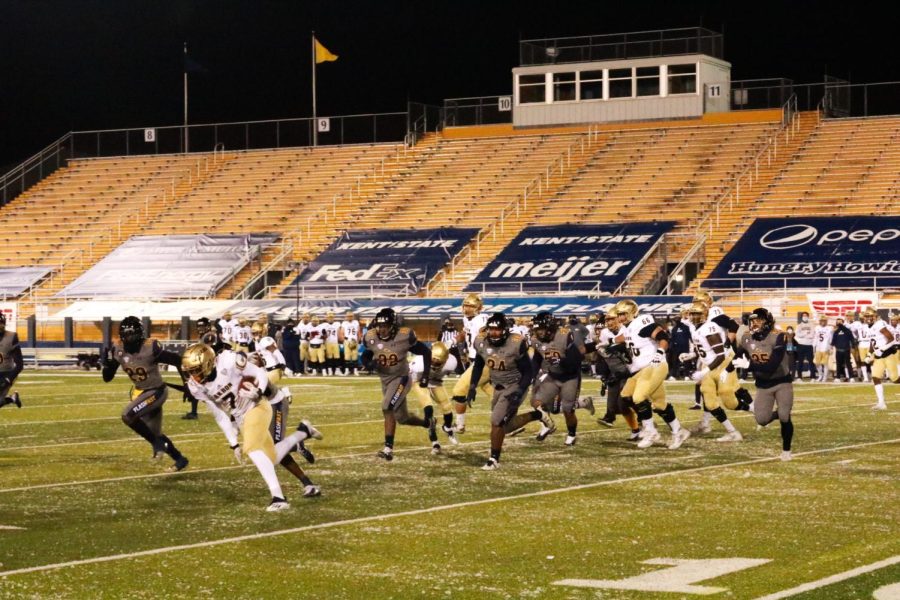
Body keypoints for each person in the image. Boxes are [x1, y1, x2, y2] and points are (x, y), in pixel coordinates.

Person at [183, 343, 321, 510]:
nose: (193, 375)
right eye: (190, 371)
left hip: (266, 403)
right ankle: (302, 433)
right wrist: (233, 442)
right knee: (273, 458)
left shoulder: (228, 361)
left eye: (195, 370)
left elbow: (259, 373)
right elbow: (220, 414)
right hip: (243, 415)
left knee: (253, 448)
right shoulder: (196, 386)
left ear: (207, 363)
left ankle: (279, 497)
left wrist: (259, 391)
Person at [102, 316, 189, 471]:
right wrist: (106, 365)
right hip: (142, 393)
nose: (130, 339)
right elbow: (107, 378)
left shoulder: (150, 347)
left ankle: (157, 444)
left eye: (133, 335)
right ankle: (180, 459)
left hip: (157, 391)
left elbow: (177, 360)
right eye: (127, 335)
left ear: (140, 334)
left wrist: (187, 384)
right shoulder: (118, 350)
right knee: (155, 433)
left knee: (128, 415)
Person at [466, 313, 542, 470]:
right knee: (504, 426)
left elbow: (528, 372)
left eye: (497, 330)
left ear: (505, 330)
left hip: (514, 385)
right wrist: (473, 386)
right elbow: (479, 365)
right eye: (491, 329)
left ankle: (494, 459)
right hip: (498, 387)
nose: (494, 333)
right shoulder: (481, 342)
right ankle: (537, 415)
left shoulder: (515, 343)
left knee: (496, 421)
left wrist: (520, 391)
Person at [613, 300, 690, 450]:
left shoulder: (641, 322)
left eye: (623, 314)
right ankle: (679, 431)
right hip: (643, 369)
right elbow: (624, 338)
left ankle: (651, 432)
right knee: (646, 400)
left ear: (632, 313)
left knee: (638, 397)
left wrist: (660, 352)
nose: (621, 318)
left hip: (654, 365)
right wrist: (608, 342)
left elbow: (663, 336)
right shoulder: (629, 329)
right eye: (619, 315)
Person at [361, 308, 435, 462]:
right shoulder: (371, 337)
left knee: (387, 406)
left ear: (393, 325)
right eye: (379, 326)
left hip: (401, 378)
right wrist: (369, 364)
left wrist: (425, 376)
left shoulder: (404, 336)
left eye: (385, 326)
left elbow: (426, 352)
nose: (382, 329)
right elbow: (365, 355)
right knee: (402, 418)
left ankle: (388, 449)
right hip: (385, 380)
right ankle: (427, 423)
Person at [247, 352, 321, 497]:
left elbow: (260, 394)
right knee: (273, 449)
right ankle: (307, 479)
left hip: (276, 405)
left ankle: (303, 433)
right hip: (263, 410)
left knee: (274, 449)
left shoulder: (258, 376)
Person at [733, 308, 795, 461]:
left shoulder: (779, 336)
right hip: (763, 385)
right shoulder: (747, 338)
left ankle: (786, 450)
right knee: (761, 419)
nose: (755, 324)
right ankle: (778, 414)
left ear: (768, 322)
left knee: (784, 416)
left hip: (782, 382)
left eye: (759, 320)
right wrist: (724, 370)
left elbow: (772, 365)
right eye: (753, 321)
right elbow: (736, 355)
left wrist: (749, 366)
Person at [529, 311, 595, 446]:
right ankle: (547, 425)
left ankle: (571, 434)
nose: (538, 333)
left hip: (570, 376)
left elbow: (577, 360)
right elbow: (537, 358)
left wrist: (560, 361)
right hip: (552, 375)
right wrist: (532, 374)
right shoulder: (536, 340)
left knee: (567, 409)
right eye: (537, 329)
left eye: (541, 329)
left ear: (549, 327)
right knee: (535, 402)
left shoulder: (564, 336)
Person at [684, 302, 747, 442]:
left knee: (729, 401)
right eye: (692, 313)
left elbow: (720, 355)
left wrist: (704, 371)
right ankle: (732, 432)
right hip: (710, 365)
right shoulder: (695, 329)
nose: (694, 316)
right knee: (710, 402)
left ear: (704, 315)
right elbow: (703, 350)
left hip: (720, 365)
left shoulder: (709, 328)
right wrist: (691, 355)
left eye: (697, 314)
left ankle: (756, 410)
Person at [594, 312, 641, 440]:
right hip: (615, 372)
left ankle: (644, 420)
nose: (609, 322)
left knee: (625, 401)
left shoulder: (627, 330)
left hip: (630, 371)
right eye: (607, 320)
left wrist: (614, 346)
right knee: (613, 404)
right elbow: (605, 359)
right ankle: (635, 429)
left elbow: (627, 351)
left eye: (612, 319)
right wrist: (604, 375)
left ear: (619, 319)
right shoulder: (604, 333)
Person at [408, 341, 460, 454]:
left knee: (447, 407)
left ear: (445, 360)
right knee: (429, 410)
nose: (435, 364)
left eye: (438, 362)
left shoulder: (451, 362)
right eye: (432, 361)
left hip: (436, 382)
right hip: (419, 381)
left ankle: (447, 427)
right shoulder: (419, 363)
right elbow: (409, 377)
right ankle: (435, 442)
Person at [451, 293, 492, 434]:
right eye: (465, 305)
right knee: (495, 394)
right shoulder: (467, 319)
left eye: (470, 306)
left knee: (459, 391)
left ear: (478, 308)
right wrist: (452, 341)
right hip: (476, 359)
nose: (467, 309)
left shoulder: (481, 320)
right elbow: (464, 333)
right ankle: (510, 421)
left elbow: (485, 335)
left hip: (483, 361)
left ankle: (460, 425)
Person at [861, 307, 899, 411]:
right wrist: (869, 354)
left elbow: (891, 339)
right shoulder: (868, 327)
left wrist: (882, 349)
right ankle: (881, 403)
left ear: (875, 317)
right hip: (878, 356)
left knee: (895, 379)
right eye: (867, 316)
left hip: (888, 354)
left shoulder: (879, 325)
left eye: (870, 316)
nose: (868, 318)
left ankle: (881, 403)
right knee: (875, 377)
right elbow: (872, 342)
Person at [0, 312, 23, 409]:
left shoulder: (11, 337)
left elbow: (20, 364)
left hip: (6, 373)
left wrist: (9, 379)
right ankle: (13, 399)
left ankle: (12, 399)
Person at [668, 313, 693, 380]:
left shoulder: (686, 327)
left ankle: (686, 375)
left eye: (677, 319)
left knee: (686, 361)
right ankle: (674, 375)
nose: (676, 320)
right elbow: (672, 339)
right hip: (676, 348)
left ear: (680, 319)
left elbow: (690, 337)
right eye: (675, 319)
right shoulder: (674, 329)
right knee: (675, 362)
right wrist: (671, 347)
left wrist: (693, 345)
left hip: (685, 347)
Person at [831, 317, 856, 382]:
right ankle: (838, 377)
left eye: (840, 322)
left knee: (848, 364)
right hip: (838, 350)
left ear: (843, 322)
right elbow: (833, 341)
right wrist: (832, 347)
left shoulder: (847, 330)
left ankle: (851, 377)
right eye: (837, 322)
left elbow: (852, 339)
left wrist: (853, 347)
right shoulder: (836, 331)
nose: (838, 323)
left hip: (846, 350)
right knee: (838, 364)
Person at [793, 311, 816, 381]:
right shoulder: (799, 325)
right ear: (802, 317)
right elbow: (797, 335)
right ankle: (799, 377)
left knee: (811, 362)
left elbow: (812, 335)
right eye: (803, 316)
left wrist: (803, 335)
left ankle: (813, 377)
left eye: (806, 315)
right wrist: (805, 333)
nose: (804, 317)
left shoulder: (812, 325)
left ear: (808, 317)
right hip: (801, 345)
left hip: (809, 345)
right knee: (800, 362)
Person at [339, 311, 362, 376]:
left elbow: (358, 332)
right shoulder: (344, 323)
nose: (350, 317)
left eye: (351, 316)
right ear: (346, 317)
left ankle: (355, 370)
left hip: (354, 341)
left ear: (353, 316)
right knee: (347, 356)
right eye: (348, 316)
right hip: (347, 340)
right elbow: (342, 333)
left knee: (355, 356)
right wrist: (345, 340)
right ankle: (347, 370)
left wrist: (358, 341)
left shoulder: (356, 322)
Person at [813, 315, 833, 383]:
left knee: (825, 364)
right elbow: (815, 337)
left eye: (824, 321)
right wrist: (814, 346)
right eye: (821, 321)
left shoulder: (829, 328)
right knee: (817, 363)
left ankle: (824, 377)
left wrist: (830, 347)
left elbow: (831, 338)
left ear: (826, 321)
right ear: (819, 321)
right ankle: (820, 375)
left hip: (825, 347)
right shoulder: (817, 328)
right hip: (818, 347)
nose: (823, 322)